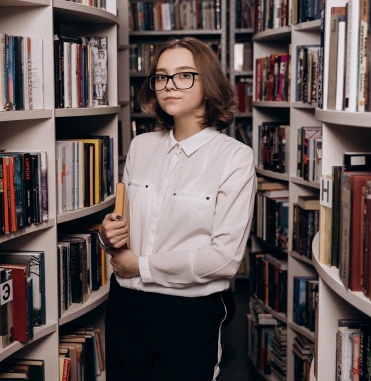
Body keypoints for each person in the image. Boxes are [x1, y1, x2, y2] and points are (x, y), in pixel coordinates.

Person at [99, 36, 257, 381]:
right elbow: (123, 225)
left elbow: (225, 258)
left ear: (209, 82)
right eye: (161, 76)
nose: (170, 85)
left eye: (184, 75)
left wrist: (137, 264)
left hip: (188, 311)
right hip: (125, 305)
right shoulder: (141, 146)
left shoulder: (234, 158)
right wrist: (107, 236)